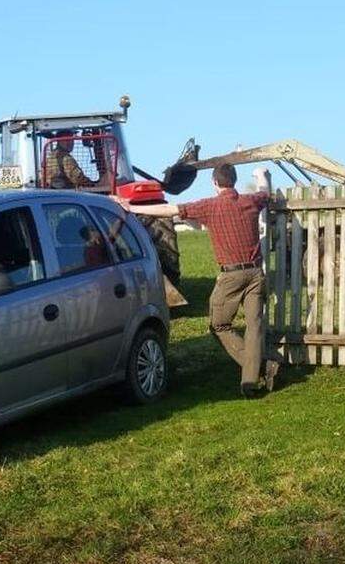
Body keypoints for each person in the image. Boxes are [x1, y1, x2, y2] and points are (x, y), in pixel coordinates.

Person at [113, 164, 279, 397]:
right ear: (233, 181)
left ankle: (255, 367)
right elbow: (265, 192)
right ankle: (251, 378)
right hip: (255, 274)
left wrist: (129, 206)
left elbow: (169, 210)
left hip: (231, 276)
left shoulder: (209, 206)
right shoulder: (251, 201)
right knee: (255, 326)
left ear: (214, 183)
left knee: (219, 325)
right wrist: (263, 176)